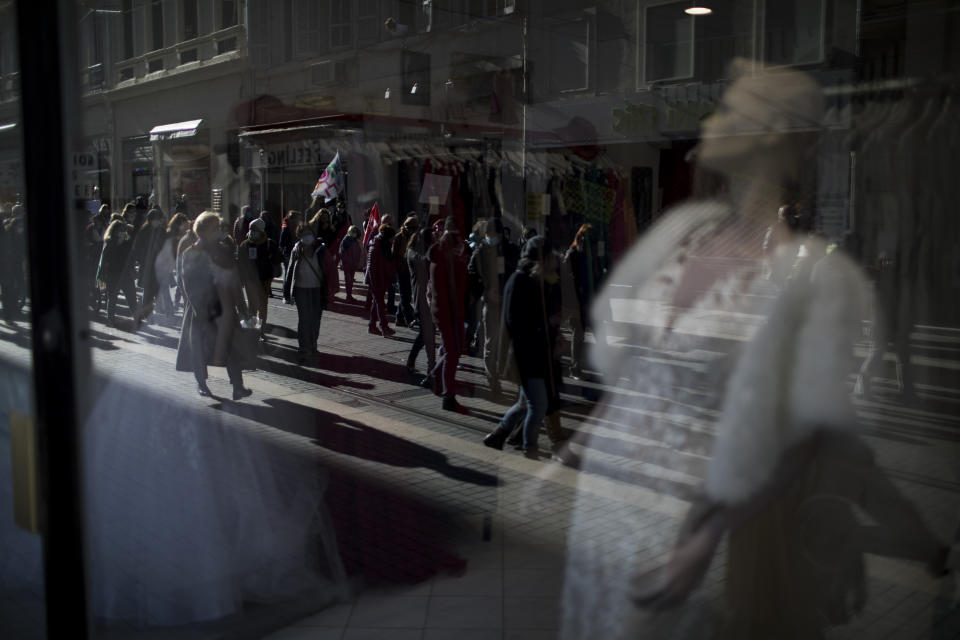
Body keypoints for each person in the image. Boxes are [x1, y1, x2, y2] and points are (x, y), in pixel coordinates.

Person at [558, 60, 951, 640]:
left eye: (730, 110)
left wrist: (704, 541)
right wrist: (589, 437)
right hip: (637, 510)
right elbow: (658, 373)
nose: (711, 121)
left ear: (770, 135)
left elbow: (799, 433)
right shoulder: (689, 235)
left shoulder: (807, 274)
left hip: (723, 518)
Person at [482, 236, 559, 458]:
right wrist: (544, 326)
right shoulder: (520, 281)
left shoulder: (535, 280)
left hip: (533, 354)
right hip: (526, 356)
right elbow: (517, 323)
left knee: (525, 403)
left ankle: (498, 434)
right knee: (538, 405)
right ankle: (530, 448)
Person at [175, 211, 252, 400]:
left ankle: (238, 386)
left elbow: (233, 278)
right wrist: (198, 308)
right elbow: (187, 282)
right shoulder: (191, 252)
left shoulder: (224, 250)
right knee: (200, 348)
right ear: (202, 231)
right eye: (214, 228)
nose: (218, 231)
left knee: (232, 346)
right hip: (201, 308)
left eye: (218, 227)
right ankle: (201, 383)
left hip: (224, 306)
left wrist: (242, 307)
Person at [467, 217, 518, 393]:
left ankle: (508, 374)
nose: (489, 236)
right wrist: (484, 291)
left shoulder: (510, 250)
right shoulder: (481, 251)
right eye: (487, 234)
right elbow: (472, 274)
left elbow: (517, 272)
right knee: (491, 343)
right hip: (490, 303)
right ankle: (492, 379)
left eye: (492, 233)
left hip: (508, 303)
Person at [428, 217, 469, 412]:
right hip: (449, 312)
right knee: (453, 352)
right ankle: (448, 396)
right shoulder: (448, 260)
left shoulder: (442, 256)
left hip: (445, 311)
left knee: (452, 349)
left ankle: (435, 378)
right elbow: (456, 288)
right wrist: (462, 263)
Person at [564, 223, 605, 379]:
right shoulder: (572, 254)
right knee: (578, 334)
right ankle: (574, 367)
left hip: (590, 299)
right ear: (579, 238)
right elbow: (567, 282)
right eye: (584, 240)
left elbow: (597, 275)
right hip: (576, 302)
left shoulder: (592, 255)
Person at [283, 223, 328, 363]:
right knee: (304, 319)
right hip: (301, 289)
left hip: (317, 289)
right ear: (299, 236)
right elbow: (290, 270)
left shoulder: (321, 249)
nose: (307, 237)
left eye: (309, 233)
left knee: (315, 319)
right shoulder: (296, 250)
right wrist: (287, 291)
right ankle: (303, 348)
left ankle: (312, 344)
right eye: (303, 234)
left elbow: (328, 269)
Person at [238, 217, 282, 340]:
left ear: (261, 230)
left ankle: (261, 331)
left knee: (263, 305)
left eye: (255, 229)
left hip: (265, 279)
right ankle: (253, 330)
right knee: (252, 305)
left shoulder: (269, 243)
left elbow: (278, 258)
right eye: (251, 229)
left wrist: (275, 257)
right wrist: (241, 279)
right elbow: (240, 263)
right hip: (250, 280)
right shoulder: (245, 244)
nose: (252, 232)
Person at [97, 215, 139, 327]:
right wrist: (102, 276)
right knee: (112, 298)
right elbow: (104, 259)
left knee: (131, 297)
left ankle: (137, 318)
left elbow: (131, 257)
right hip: (113, 274)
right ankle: (111, 320)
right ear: (114, 231)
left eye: (123, 230)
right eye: (120, 230)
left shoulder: (127, 243)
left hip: (125, 274)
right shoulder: (109, 243)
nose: (122, 232)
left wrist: (132, 269)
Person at [406, 226, 436, 381]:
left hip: (430, 299)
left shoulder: (421, 252)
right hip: (420, 300)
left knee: (426, 334)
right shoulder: (412, 253)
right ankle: (418, 361)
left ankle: (429, 364)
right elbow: (423, 262)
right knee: (426, 334)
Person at [130, 208, 168, 325]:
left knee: (156, 290)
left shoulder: (162, 231)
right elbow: (137, 249)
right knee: (148, 292)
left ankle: (148, 312)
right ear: (151, 220)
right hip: (147, 266)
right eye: (156, 219)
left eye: (159, 219)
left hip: (158, 266)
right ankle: (146, 314)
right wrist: (142, 259)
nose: (158, 221)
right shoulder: (144, 231)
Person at [155, 212, 190, 318]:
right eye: (184, 224)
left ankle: (170, 306)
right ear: (179, 224)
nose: (186, 226)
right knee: (165, 286)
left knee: (178, 284)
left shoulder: (184, 234)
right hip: (166, 262)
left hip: (176, 262)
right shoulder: (170, 234)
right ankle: (168, 309)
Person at [365, 222, 397, 336]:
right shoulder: (377, 246)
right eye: (392, 238)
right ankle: (384, 326)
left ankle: (372, 325)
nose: (393, 240)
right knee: (380, 303)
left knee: (376, 302)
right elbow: (372, 267)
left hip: (381, 278)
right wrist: (374, 282)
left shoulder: (384, 246)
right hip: (376, 279)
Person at [311, 208, 340, 304]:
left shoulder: (331, 228)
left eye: (326, 217)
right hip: (317, 254)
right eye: (322, 217)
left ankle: (327, 294)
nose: (324, 218)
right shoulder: (314, 226)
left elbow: (335, 240)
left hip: (328, 254)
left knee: (328, 275)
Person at [338, 225, 363, 303]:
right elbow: (342, 252)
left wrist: (357, 262)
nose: (354, 233)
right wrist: (347, 261)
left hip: (353, 264)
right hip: (347, 264)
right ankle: (348, 296)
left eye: (355, 232)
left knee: (351, 280)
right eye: (353, 231)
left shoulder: (355, 241)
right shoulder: (345, 240)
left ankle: (349, 295)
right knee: (348, 280)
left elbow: (358, 252)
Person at [279, 210, 302, 284]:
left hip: (296, 252)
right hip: (288, 253)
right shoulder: (286, 228)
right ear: (293, 219)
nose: (299, 220)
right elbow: (281, 242)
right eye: (298, 219)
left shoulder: (297, 228)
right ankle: (286, 293)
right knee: (288, 274)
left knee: (293, 274)